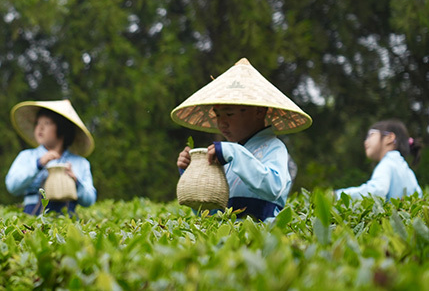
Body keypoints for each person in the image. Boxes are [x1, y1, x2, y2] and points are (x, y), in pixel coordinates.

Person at [173, 58, 312, 221]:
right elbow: (209, 211)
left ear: (259, 111)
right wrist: (192, 172)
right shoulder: (227, 157)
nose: (222, 122)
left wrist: (234, 152)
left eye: (229, 114)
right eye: (218, 115)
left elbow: (273, 187)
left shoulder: (273, 147)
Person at [5, 100, 97, 215]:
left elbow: (90, 200)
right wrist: (39, 164)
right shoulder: (27, 156)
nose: (40, 128)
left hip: (66, 223)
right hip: (32, 223)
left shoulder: (79, 163)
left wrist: (76, 181)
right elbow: (12, 186)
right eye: (37, 123)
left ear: (62, 128)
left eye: (47, 123)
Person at [335, 120, 422, 201]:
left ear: (389, 138)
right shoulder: (406, 169)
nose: (365, 142)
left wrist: (338, 195)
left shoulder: (387, 163)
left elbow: (377, 190)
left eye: (371, 134)